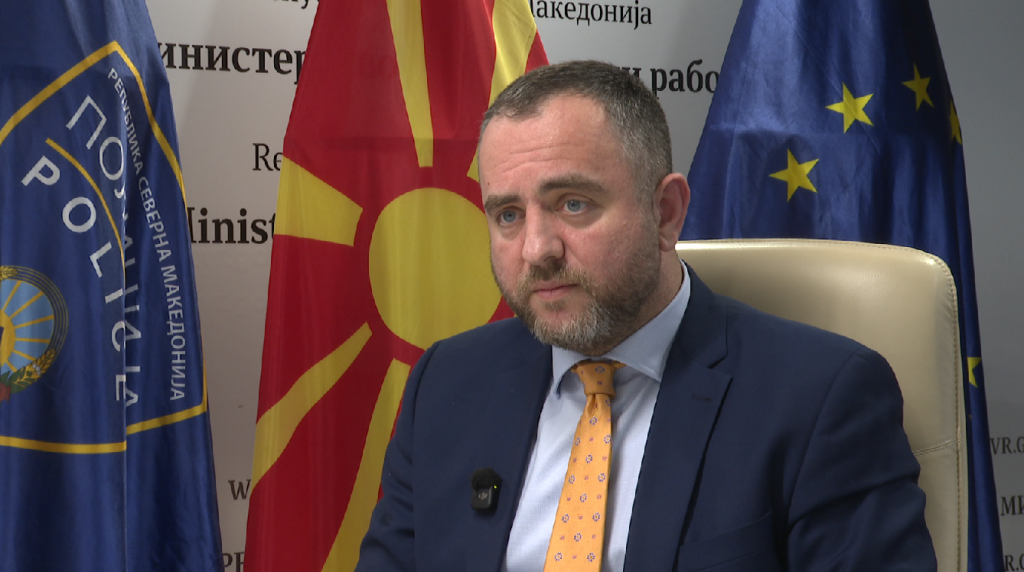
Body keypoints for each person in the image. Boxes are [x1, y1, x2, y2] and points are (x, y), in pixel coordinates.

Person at [355, 60, 936, 572]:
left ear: (666, 212)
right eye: (508, 214)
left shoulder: (820, 398)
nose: (536, 249)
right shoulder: (447, 385)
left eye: (572, 204)